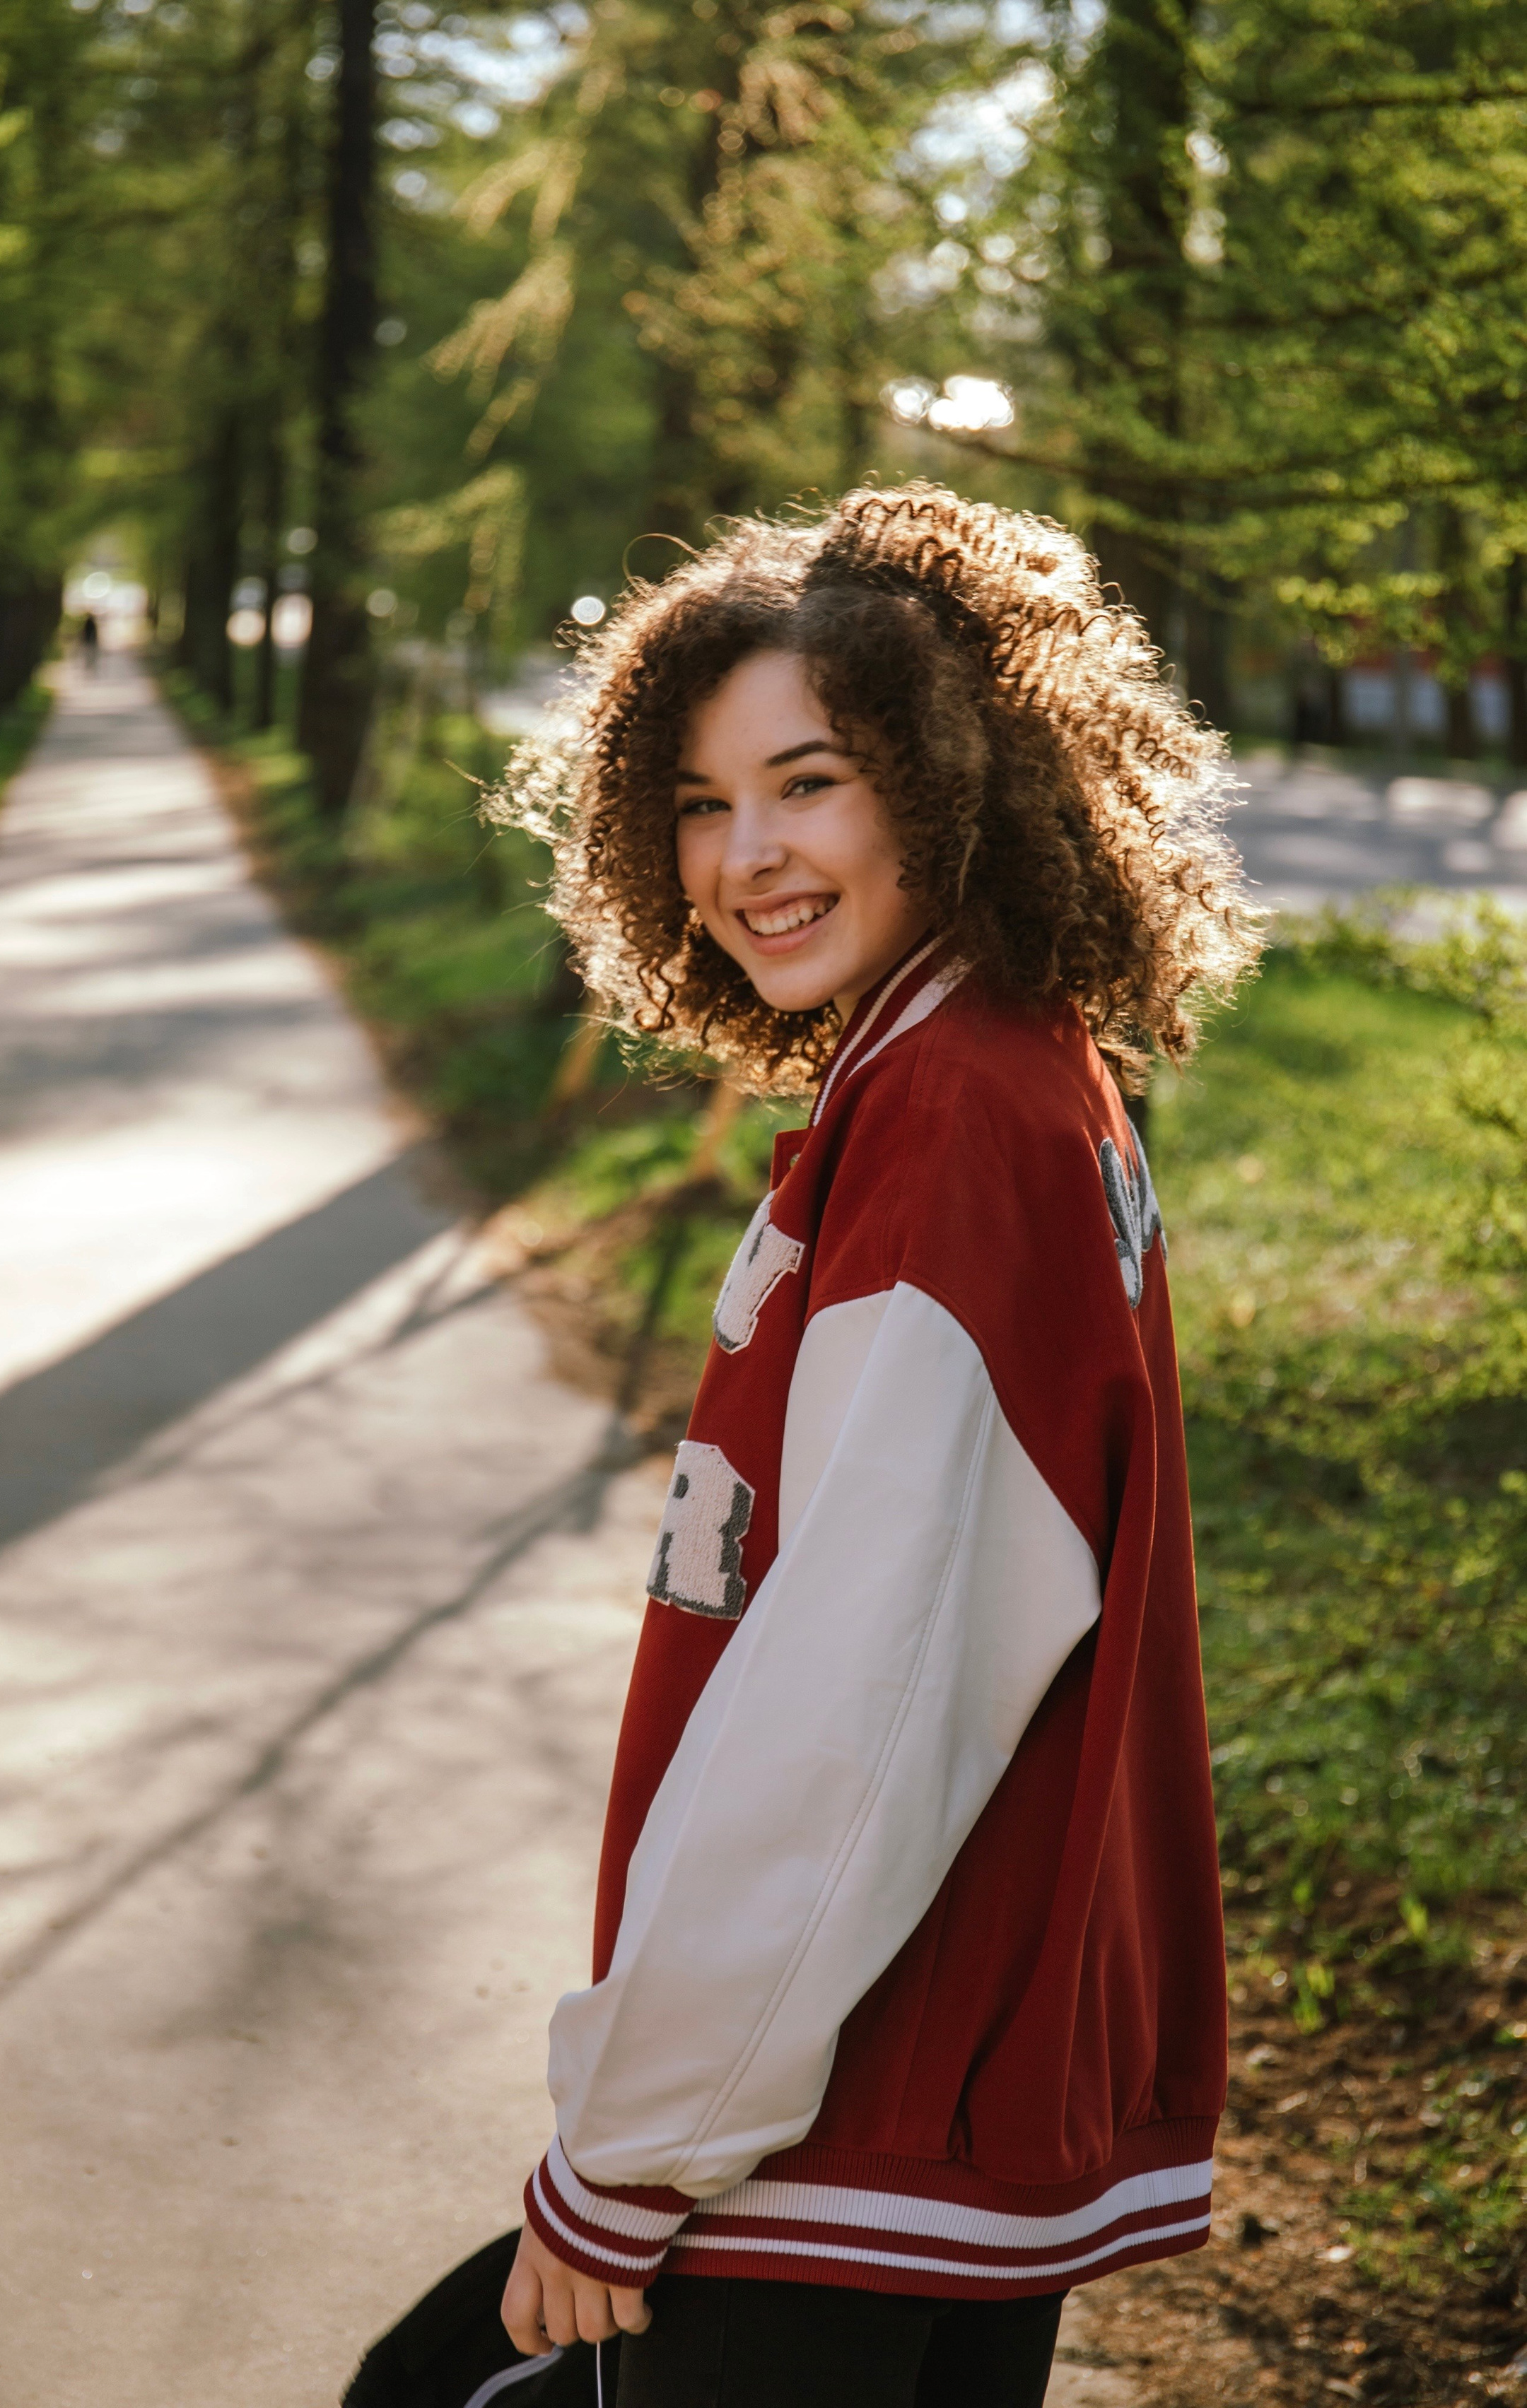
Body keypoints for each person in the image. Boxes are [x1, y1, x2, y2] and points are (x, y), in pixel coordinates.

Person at [484, 482, 1261, 2408]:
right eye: (699, 801)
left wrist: (629, 2153)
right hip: (896, 2107)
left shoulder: (959, 1124)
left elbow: (861, 1703)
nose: (746, 854)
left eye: (808, 783)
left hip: (842, 2129)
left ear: (944, 778)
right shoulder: (986, 1065)